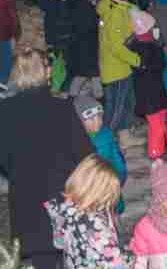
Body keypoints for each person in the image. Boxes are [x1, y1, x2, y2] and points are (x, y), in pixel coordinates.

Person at [0, 48, 93, 268]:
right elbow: (85, 156)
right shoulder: (62, 109)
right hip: (62, 200)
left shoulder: (4, 112)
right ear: (45, 72)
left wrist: (17, 171)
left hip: (25, 200)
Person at [44, 154, 134, 268]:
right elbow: (115, 263)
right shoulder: (94, 222)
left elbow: (59, 243)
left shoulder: (63, 208)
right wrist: (132, 256)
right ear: (100, 192)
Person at [97, 0, 144, 148]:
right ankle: (102, 144)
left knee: (127, 104)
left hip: (122, 66)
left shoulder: (120, 8)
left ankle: (124, 137)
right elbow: (116, 47)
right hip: (115, 69)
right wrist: (137, 60)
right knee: (115, 109)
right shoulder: (114, 14)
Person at [128, 8, 167, 159]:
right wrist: (159, 45)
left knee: (158, 120)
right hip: (153, 93)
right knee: (156, 122)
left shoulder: (133, 46)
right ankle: (155, 151)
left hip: (149, 92)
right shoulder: (151, 48)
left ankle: (162, 145)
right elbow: (160, 65)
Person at [73, 96, 128, 214]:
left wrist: (119, 177)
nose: (97, 121)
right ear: (79, 121)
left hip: (109, 183)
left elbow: (117, 159)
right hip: (90, 189)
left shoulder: (106, 135)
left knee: (112, 210)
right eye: (91, 118)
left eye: (99, 116)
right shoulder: (77, 142)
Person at [67, 0, 102, 98]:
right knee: (90, 72)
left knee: (84, 72)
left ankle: (74, 95)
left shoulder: (84, 1)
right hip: (86, 43)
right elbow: (90, 24)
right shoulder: (82, 5)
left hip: (85, 43)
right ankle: (98, 95)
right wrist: (100, 22)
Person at [0, 0, 18, 91]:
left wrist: (14, 32)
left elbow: (11, 12)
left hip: (3, 32)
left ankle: (3, 84)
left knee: (5, 59)